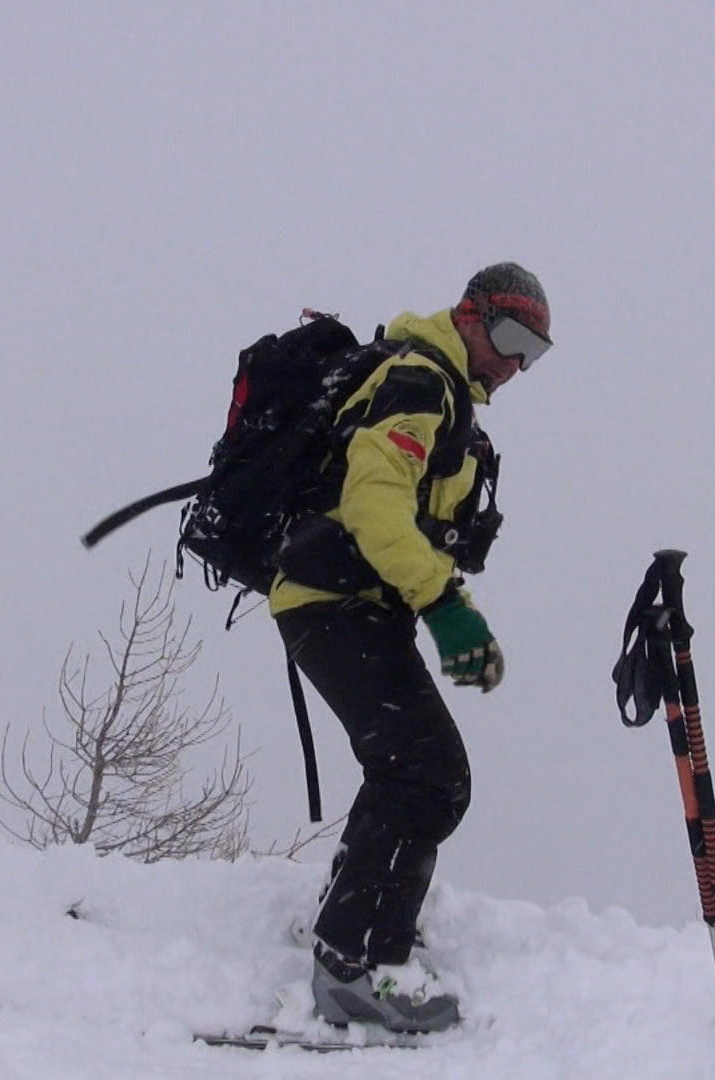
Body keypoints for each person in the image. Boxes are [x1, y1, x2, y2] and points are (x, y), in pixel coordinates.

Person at [271, 262, 552, 1032]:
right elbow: (372, 500)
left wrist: (449, 557)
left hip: (350, 603)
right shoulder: (423, 381)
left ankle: (350, 924)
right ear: (470, 315)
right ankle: (355, 964)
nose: (516, 362)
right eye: (511, 335)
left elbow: (409, 515)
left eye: (534, 351)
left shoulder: (445, 396)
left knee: (409, 769)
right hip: (335, 603)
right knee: (431, 778)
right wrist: (447, 606)